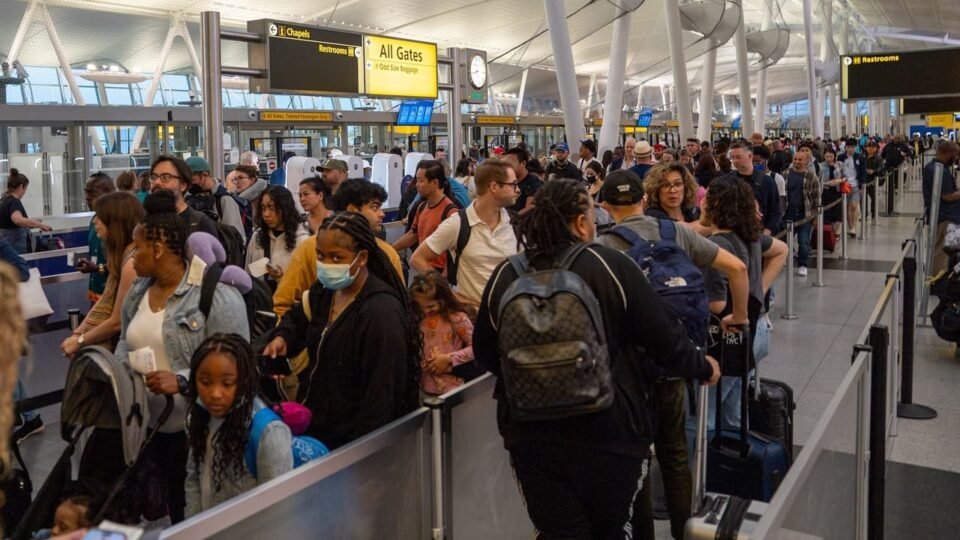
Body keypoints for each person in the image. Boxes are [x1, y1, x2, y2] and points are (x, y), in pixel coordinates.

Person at [473, 179, 720, 538]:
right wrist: (703, 366)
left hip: (531, 436)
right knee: (611, 528)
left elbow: (485, 351)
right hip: (609, 429)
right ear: (579, 223)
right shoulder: (610, 266)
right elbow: (665, 339)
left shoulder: (506, 274)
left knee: (560, 532)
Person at [596, 170, 749, 539]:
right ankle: (684, 531)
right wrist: (739, 317)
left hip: (631, 369)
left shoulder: (605, 246)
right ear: (644, 199)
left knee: (638, 458)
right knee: (675, 456)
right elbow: (738, 268)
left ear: (605, 207)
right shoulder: (676, 232)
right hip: (675, 360)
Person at [113, 190, 249, 523]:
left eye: (138, 248)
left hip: (198, 433)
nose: (132, 258)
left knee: (193, 514)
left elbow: (240, 367)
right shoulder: (138, 292)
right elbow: (125, 341)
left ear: (159, 249)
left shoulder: (215, 297)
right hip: (146, 430)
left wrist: (183, 380)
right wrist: (120, 373)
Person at [262, 212, 420, 448]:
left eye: (336, 257)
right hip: (316, 431)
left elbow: (382, 395)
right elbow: (297, 318)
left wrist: (363, 452)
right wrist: (283, 337)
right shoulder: (326, 291)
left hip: (353, 444)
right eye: (321, 256)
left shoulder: (381, 313)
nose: (326, 265)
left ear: (362, 257)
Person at [694, 176, 787, 435]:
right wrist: (759, 290)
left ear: (717, 205)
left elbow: (716, 304)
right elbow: (781, 250)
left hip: (726, 339)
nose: (701, 204)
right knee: (734, 412)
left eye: (706, 199)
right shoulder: (751, 236)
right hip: (756, 331)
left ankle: (705, 459)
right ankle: (736, 455)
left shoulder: (714, 248)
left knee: (707, 416)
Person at [184, 334, 293, 517]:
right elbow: (193, 477)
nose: (215, 394)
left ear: (244, 380)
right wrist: (194, 525)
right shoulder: (198, 417)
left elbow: (277, 511)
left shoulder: (268, 433)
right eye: (205, 382)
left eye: (227, 383)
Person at [274, 179, 403, 318]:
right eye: (374, 207)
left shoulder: (387, 254)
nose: (381, 214)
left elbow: (399, 302)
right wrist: (291, 329)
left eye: (336, 257)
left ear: (363, 257)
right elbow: (283, 302)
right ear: (352, 210)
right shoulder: (309, 247)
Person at [410, 160, 519, 310]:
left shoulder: (515, 224)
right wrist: (449, 293)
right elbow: (417, 259)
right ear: (494, 187)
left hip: (509, 315)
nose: (517, 189)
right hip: (474, 316)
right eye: (513, 184)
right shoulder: (458, 223)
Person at [60, 192, 143, 356]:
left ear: (116, 222)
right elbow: (105, 303)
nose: (95, 221)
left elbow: (117, 321)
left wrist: (80, 340)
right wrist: (78, 334)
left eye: (100, 217)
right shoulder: (121, 257)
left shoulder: (132, 263)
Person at [410, 272, 476, 395]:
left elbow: (476, 347)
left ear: (443, 299)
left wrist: (449, 359)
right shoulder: (418, 319)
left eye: (431, 306)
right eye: (420, 306)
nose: (425, 310)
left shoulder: (457, 318)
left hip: (452, 388)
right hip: (424, 387)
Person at [393, 160, 459, 271]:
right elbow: (413, 235)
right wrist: (389, 249)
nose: (417, 185)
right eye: (417, 180)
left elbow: (456, 249)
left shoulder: (451, 212)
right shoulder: (421, 207)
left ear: (435, 183)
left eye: (421, 181)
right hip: (423, 269)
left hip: (439, 273)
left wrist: (444, 276)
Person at [245, 185, 310, 286]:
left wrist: (282, 278)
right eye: (263, 208)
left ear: (285, 209)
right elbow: (248, 274)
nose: (266, 214)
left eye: (271, 208)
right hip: (259, 294)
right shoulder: (257, 236)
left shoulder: (302, 240)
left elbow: (307, 282)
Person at [148, 155, 219, 239]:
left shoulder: (199, 224)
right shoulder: (145, 222)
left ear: (183, 185)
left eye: (166, 177)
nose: (157, 182)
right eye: (153, 177)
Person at [73, 173, 117, 303]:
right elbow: (97, 254)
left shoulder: (117, 223)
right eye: (86, 192)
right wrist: (86, 263)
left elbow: (120, 266)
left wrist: (98, 268)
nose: (87, 197)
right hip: (95, 292)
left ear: (108, 192)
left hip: (113, 295)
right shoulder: (94, 220)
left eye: (92, 192)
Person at [185, 156, 248, 243]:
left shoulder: (224, 199)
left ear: (205, 175)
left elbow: (236, 237)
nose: (189, 185)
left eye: (193, 180)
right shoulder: (187, 197)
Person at [727, 142, 783, 235]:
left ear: (750, 156)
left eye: (738, 157)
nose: (735, 161)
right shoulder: (727, 181)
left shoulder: (767, 181)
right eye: (732, 157)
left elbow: (776, 210)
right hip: (733, 234)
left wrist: (768, 230)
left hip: (759, 233)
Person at [922, 140, 960, 275]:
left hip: (942, 215)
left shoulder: (934, 167)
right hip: (945, 217)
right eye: (955, 155)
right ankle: (937, 280)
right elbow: (947, 196)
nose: (956, 158)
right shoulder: (939, 171)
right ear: (948, 153)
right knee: (941, 253)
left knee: (940, 251)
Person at [783, 151, 821, 277]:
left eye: (800, 160)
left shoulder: (811, 176)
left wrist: (815, 217)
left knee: (803, 241)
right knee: (785, 239)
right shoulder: (785, 174)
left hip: (805, 213)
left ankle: (802, 264)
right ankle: (785, 259)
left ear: (806, 161)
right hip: (788, 212)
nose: (797, 162)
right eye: (795, 159)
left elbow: (816, 197)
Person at [0, 169, 52, 253]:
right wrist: (41, 225)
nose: (24, 192)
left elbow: (11, 223)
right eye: (25, 189)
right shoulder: (14, 201)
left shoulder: (3, 200)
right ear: (21, 187)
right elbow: (18, 220)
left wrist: (32, 222)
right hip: (15, 251)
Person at [837, 138, 866, 238]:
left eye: (852, 147)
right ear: (846, 147)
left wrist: (862, 185)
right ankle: (850, 226)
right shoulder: (841, 157)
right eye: (848, 147)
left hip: (855, 185)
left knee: (854, 205)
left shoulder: (860, 157)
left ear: (855, 147)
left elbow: (863, 172)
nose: (850, 149)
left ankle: (854, 227)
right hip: (845, 185)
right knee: (848, 207)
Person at [502, 147, 541, 214]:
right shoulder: (505, 181)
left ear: (523, 163)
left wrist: (511, 218)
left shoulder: (534, 183)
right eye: (505, 165)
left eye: (510, 164)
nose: (507, 167)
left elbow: (530, 207)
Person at [753, 145, 786, 215]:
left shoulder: (777, 178)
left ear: (766, 161)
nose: (754, 164)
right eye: (752, 162)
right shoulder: (749, 177)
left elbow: (781, 204)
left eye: (758, 162)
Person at [820, 149, 845, 232]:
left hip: (837, 191)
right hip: (825, 192)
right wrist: (826, 183)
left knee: (837, 213)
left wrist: (839, 181)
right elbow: (817, 180)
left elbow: (846, 177)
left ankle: (836, 232)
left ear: (834, 156)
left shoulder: (840, 164)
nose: (829, 158)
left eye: (831, 156)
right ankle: (829, 232)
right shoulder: (820, 166)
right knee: (827, 212)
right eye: (827, 156)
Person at [864, 140, 884, 217]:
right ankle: (864, 214)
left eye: (873, 147)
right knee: (863, 198)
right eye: (869, 147)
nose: (871, 148)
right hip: (864, 180)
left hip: (873, 180)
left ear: (876, 148)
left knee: (873, 197)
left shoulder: (878, 158)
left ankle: (874, 213)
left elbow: (881, 168)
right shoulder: (863, 157)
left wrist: (873, 171)